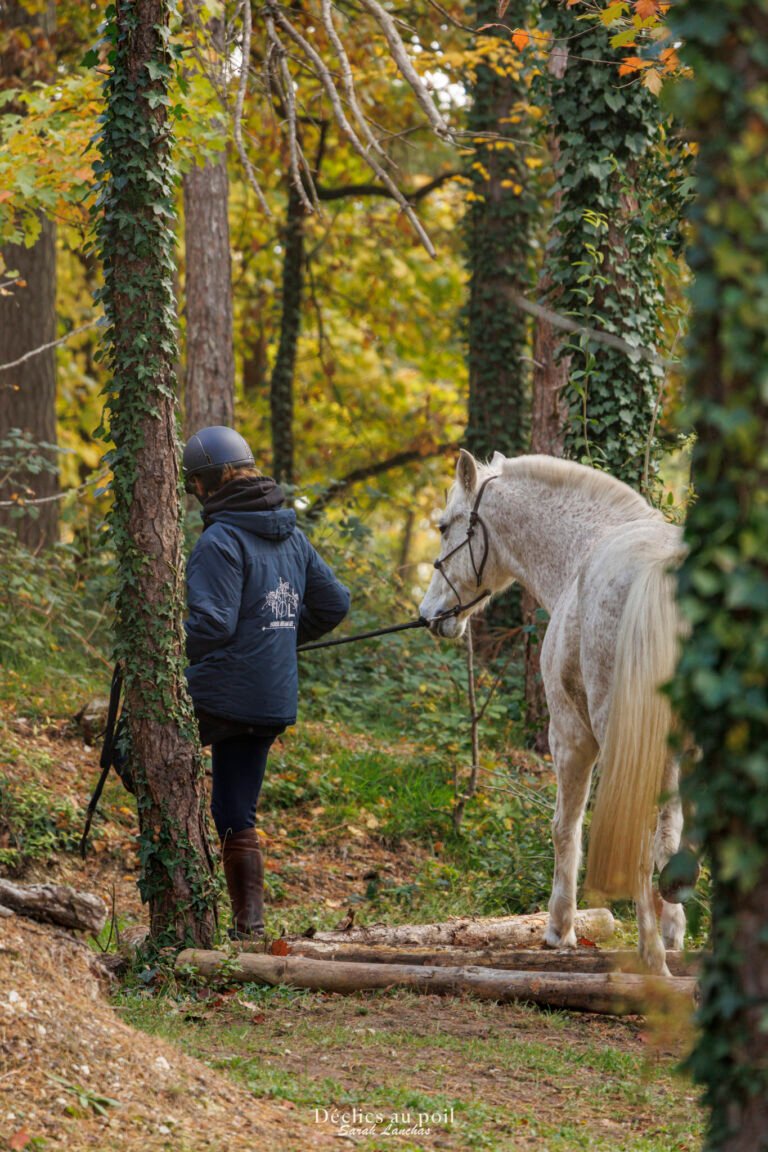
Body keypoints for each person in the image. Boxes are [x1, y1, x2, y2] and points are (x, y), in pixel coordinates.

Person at [182, 425, 350, 941]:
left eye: (194, 486)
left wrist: (156, 657)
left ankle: (176, 877)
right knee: (235, 809)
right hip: (270, 698)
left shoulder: (221, 539)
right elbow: (335, 603)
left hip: (225, 692)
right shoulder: (291, 534)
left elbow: (209, 625)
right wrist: (275, 641)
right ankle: (249, 931)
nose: (194, 497)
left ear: (211, 481)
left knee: (130, 745)